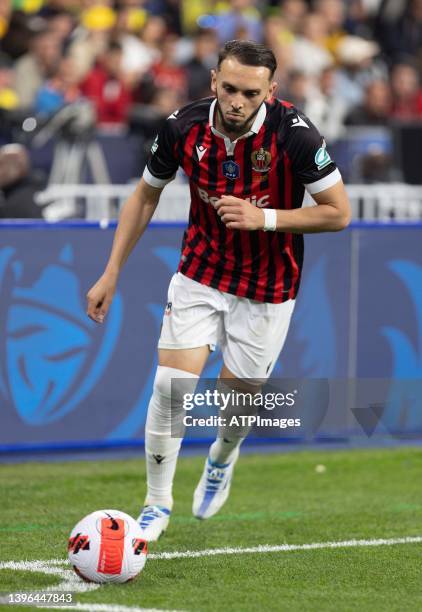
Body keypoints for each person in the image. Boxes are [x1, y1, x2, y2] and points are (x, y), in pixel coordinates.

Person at [86, 40, 351, 541]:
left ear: (270, 92)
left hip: (269, 285)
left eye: (250, 93)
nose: (236, 101)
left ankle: (221, 458)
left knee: (240, 397)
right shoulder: (181, 127)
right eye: (228, 88)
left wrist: (264, 218)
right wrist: (112, 271)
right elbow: (145, 196)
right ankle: (156, 504)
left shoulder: (294, 135)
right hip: (200, 272)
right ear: (213, 81)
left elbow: (338, 212)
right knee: (170, 386)